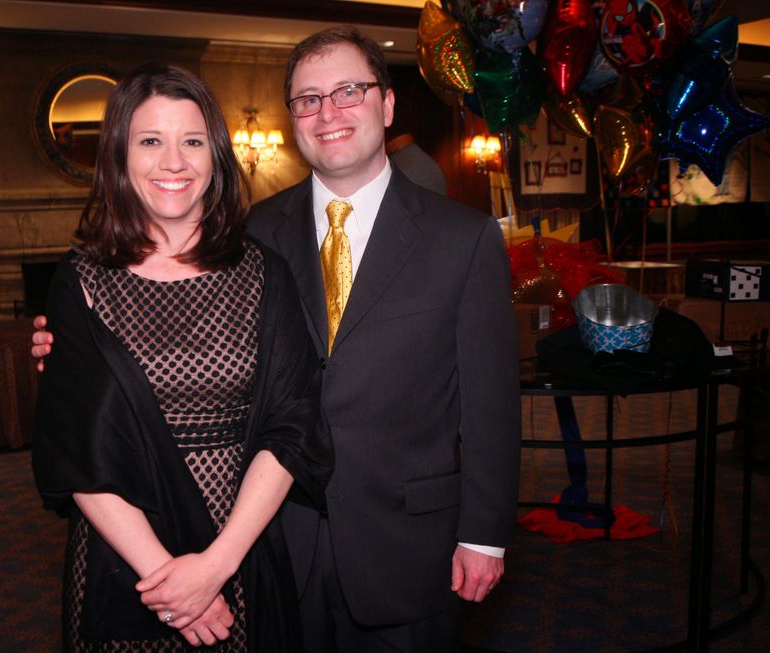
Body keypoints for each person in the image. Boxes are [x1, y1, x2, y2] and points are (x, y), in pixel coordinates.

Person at [35, 26, 521, 652]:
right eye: (308, 99)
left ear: (387, 104)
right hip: (275, 542)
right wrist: (70, 351)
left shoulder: (464, 237)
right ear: (292, 118)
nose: (329, 113)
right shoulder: (253, 233)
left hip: (404, 541)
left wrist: (484, 534)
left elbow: (491, 403)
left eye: (348, 91)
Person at [31, 63, 332, 653]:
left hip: (239, 547)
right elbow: (76, 449)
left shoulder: (264, 274)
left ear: (216, 155)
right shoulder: (80, 281)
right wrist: (169, 583)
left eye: (192, 141)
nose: (174, 162)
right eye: (151, 141)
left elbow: (292, 428)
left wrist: (215, 567)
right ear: (119, 157)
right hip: (124, 561)